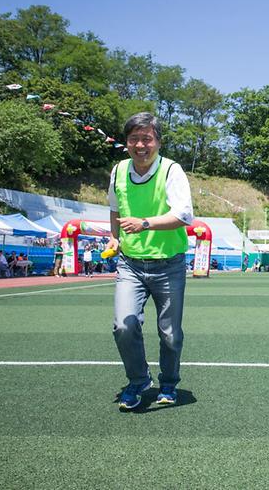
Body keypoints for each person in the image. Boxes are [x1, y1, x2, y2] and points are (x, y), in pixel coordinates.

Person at [105, 112, 193, 410]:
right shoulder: (118, 171)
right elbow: (115, 210)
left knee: (169, 333)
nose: (140, 145)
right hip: (130, 264)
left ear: (158, 142)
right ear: (126, 142)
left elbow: (183, 216)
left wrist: (144, 223)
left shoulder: (172, 171)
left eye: (147, 139)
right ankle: (139, 380)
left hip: (169, 264)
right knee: (123, 326)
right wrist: (114, 236)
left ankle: (169, 382)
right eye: (134, 139)